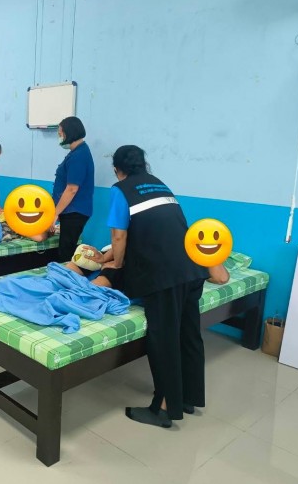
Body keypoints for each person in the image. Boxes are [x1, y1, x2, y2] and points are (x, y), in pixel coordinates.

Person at [103, 145, 209, 428]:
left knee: (164, 339)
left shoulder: (121, 189)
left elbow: (119, 236)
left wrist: (117, 264)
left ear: (117, 169)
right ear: (143, 164)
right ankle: (187, 398)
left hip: (164, 275)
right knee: (188, 334)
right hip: (192, 267)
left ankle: (162, 408)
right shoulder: (160, 185)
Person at [66, 244, 229, 291]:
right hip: (123, 252)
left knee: (110, 274)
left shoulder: (200, 261)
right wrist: (105, 258)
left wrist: (211, 253)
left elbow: (221, 278)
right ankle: (62, 281)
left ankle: (75, 294)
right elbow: (123, 242)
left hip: (132, 263)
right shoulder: (178, 242)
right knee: (81, 259)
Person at [51, 116, 95, 262]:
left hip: (74, 211)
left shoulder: (79, 156)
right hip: (70, 211)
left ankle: (66, 275)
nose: (59, 137)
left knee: (65, 252)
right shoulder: (76, 152)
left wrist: (56, 213)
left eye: (60, 133)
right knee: (65, 249)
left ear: (69, 133)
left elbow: (71, 189)